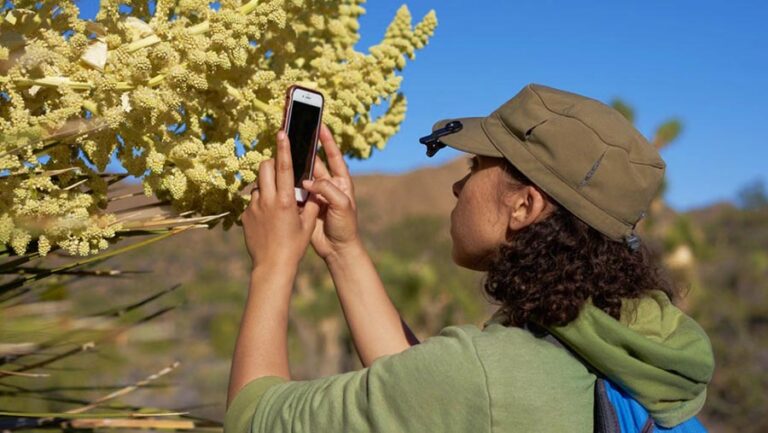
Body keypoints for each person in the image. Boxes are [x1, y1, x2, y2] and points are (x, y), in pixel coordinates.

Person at [224, 83, 714, 433]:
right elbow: (427, 393)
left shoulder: (486, 377)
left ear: (524, 206)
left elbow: (252, 419)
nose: (458, 185)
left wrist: (273, 265)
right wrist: (342, 250)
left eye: (476, 165)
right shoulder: (625, 346)